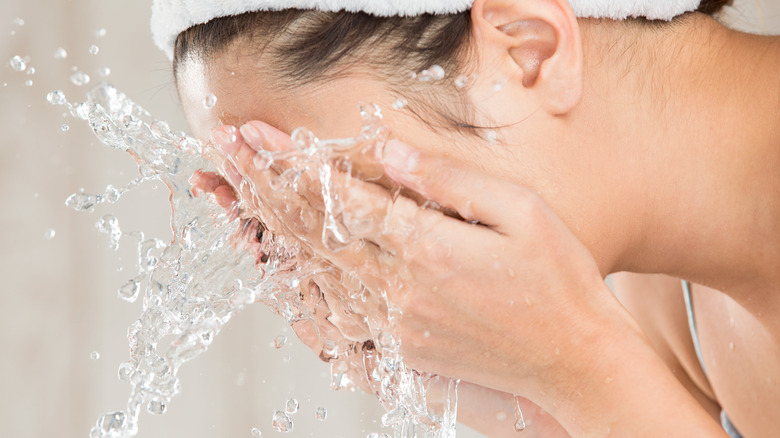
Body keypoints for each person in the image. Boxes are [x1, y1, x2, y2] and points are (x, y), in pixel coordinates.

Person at [156, 0, 779, 436]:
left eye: (350, 197)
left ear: (530, 50)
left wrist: (585, 367)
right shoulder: (660, 296)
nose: (352, 262)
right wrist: (539, 404)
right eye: (286, 217)